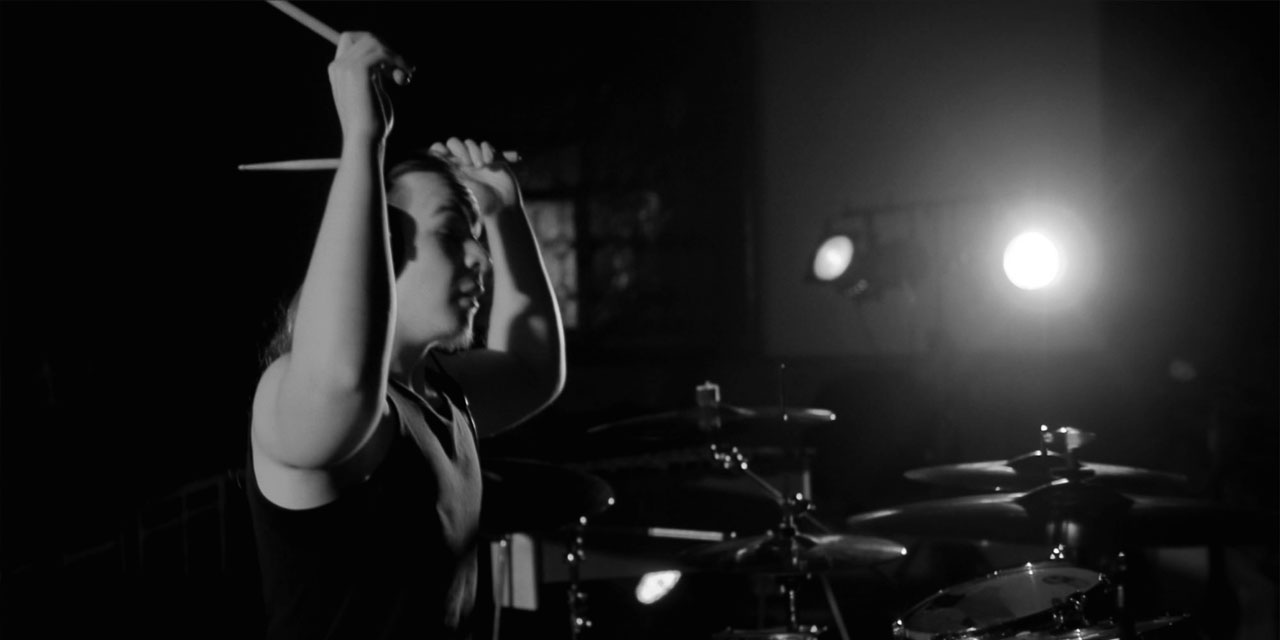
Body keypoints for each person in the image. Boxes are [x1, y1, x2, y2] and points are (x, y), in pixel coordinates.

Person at [245, 31, 565, 639]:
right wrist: (363, 142)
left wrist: (504, 213)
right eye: (453, 233)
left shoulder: (435, 392)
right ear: (382, 247)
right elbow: (343, 379)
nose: (482, 257)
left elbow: (532, 370)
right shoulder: (296, 391)